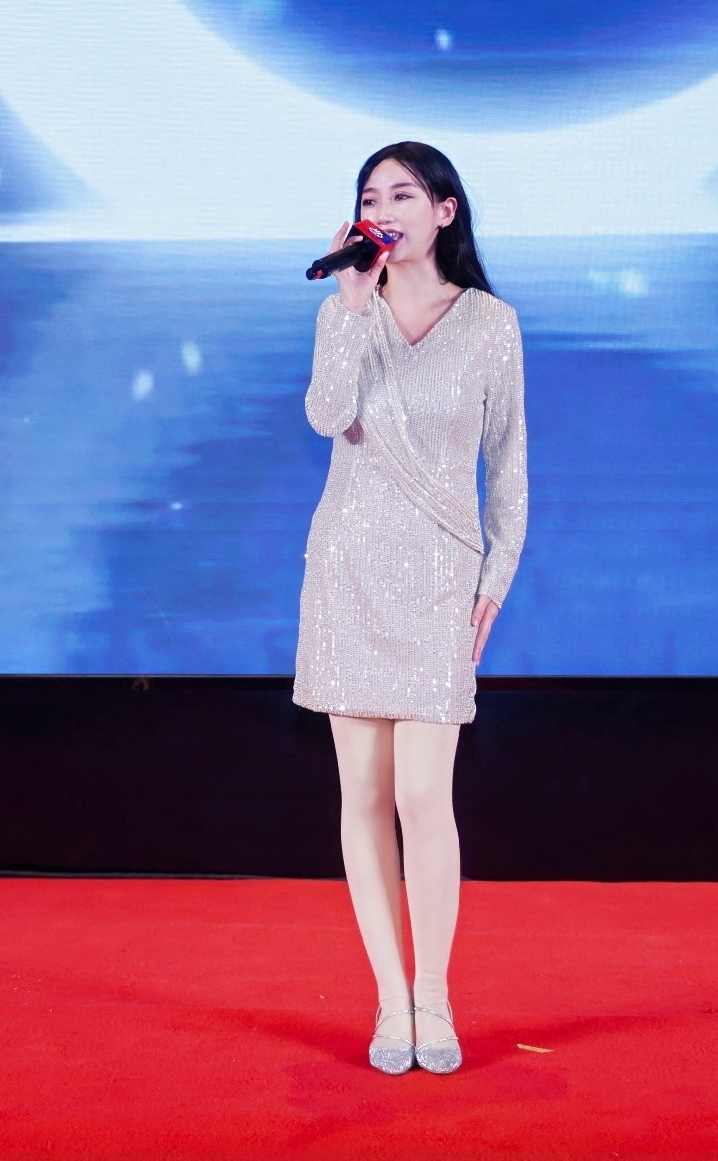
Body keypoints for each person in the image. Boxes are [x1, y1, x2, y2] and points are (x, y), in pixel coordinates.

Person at [293, 141, 528, 1075]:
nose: (383, 210)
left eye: (402, 193)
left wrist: (496, 576)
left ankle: (435, 992)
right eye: (370, 196)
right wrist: (354, 310)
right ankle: (391, 1001)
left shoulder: (492, 325)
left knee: (426, 794)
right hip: (348, 567)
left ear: (445, 210)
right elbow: (326, 415)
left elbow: (507, 463)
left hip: (439, 575)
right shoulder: (341, 310)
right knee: (364, 794)